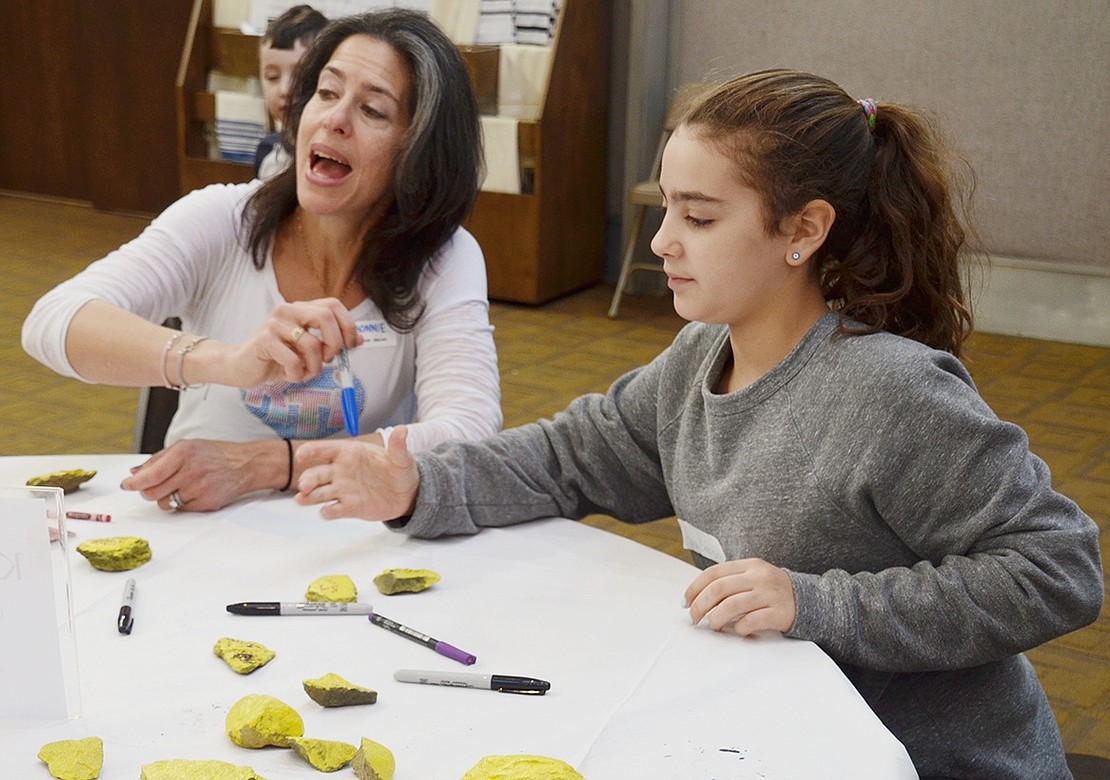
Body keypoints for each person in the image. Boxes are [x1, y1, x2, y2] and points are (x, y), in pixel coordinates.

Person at [292, 70, 1103, 778]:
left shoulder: (892, 393)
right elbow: (574, 457)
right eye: (667, 208)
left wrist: (816, 605)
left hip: (924, 763)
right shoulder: (697, 357)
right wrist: (421, 481)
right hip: (783, 733)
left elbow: (1058, 570)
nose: (661, 241)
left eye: (700, 218)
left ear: (805, 230)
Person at [22, 9, 501, 513]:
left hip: (352, 537)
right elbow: (52, 322)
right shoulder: (225, 217)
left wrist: (268, 464)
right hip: (197, 524)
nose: (334, 120)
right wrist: (225, 362)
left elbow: (469, 436)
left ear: (419, 151)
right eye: (327, 92)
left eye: (373, 111)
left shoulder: (443, 256)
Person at [254, 4, 328, 179]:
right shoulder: (267, 152)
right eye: (272, 77)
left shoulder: (332, 156)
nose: (285, 90)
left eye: (299, 75)